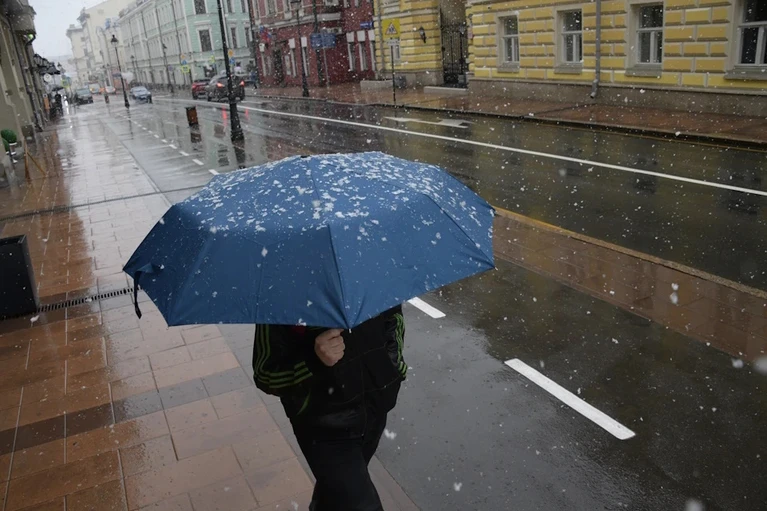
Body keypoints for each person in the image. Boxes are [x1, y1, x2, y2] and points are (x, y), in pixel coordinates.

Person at [253, 306, 407, 511]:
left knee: (337, 494)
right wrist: (314, 360)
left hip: (375, 411)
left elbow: (394, 319)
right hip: (324, 429)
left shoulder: (373, 284)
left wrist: (394, 368)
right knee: (360, 503)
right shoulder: (281, 296)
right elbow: (266, 374)